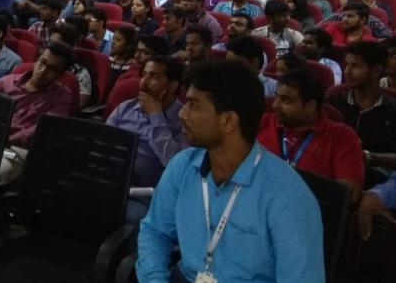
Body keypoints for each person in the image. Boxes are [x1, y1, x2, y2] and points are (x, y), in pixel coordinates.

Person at [137, 59, 324, 283]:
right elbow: (155, 232)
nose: (182, 114)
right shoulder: (183, 166)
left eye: (194, 105)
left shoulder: (289, 197)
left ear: (228, 121)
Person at [256, 67, 365, 202]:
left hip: (306, 213)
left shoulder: (341, 136)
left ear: (310, 106)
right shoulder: (262, 122)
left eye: (286, 100)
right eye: (277, 96)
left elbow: (350, 194)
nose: (275, 105)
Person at [0, 42, 75, 183]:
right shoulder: (7, 82)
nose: (42, 70)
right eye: (42, 62)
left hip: (20, 149)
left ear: (60, 74)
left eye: (51, 69)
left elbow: (45, 128)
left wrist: (9, 138)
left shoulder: (62, 95)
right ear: (37, 60)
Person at [109, 55, 187, 190]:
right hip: (113, 180)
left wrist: (155, 116)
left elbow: (175, 164)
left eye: (154, 77)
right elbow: (103, 144)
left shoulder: (184, 119)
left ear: (172, 86)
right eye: (144, 74)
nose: (143, 82)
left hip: (146, 193)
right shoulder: (125, 108)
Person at [326, 41, 396, 178]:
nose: (347, 71)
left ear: (376, 70)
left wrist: (367, 156)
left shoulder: (393, 109)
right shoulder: (334, 101)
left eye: (356, 66)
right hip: (334, 169)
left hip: (379, 174)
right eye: (347, 65)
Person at [48, 23, 92, 108]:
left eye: (55, 44)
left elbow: (80, 104)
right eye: (50, 43)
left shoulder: (80, 73)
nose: (50, 47)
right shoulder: (42, 65)